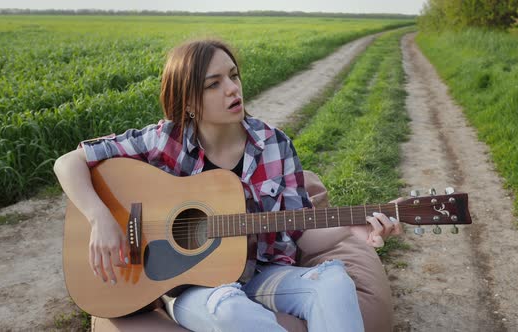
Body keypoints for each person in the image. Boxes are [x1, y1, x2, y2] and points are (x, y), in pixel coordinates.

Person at [54, 39, 401, 332]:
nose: (233, 89)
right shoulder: (164, 141)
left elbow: (299, 229)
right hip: (191, 289)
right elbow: (68, 162)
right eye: (214, 83)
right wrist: (100, 218)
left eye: (233, 75)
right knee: (229, 309)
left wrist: (349, 231)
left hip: (263, 275)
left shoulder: (274, 144)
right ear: (188, 101)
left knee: (335, 282)